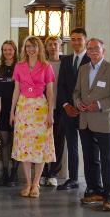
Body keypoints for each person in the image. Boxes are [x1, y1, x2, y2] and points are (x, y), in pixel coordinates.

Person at [73, 38, 110, 211]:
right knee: (89, 158)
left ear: (103, 51)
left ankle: (108, 196)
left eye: (96, 49)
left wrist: (100, 104)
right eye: (90, 49)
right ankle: (94, 190)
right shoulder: (83, 69)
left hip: (104, 121)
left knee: (106, 159)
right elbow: (76, 92)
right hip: (85, 121)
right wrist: (78, 102)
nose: (93, 52)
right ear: (87, 51)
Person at [10, 36, 56, 198]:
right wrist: (12, 111)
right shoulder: (19, 66)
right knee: (25, 147)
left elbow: (50, 91)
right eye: (28, 46)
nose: (31, 49)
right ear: (25, 48)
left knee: (39, 146)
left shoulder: (46, 66)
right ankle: (28, 183)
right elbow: (16, 89)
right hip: (23, 107)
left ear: (39, 48)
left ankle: (36, 184)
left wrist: (50, 112)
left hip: (40, 108)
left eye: (34, 46)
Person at [56, 27, 91, 191]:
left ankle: (92, 182)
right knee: (71, 146)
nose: (76, 42)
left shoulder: (92, 60)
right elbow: (61, 86)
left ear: (85, 40)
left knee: (88, 146)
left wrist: (81, 106)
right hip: (68, 111)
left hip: (86, 111)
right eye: (73, 39)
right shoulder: (66, 60)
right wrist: (66, 105)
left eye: (79, 39)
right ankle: (73, 178)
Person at [0, 40, 19, 186]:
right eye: (5, 50)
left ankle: (14, 173)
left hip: (17, 108)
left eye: (10, 50)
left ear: (15, 51)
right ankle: (5, 172)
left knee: (16, 142)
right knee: (5, 142)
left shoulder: (20, 67)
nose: (7, 52)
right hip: (2, 109)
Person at [42, 36, 63, 187]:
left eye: (56, 44)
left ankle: (53, 173)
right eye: (50, 44)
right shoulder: (42, 64)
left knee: (58, 141)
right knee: (42, 141)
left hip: (61, 108)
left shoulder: (66, 63)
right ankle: (42, 172)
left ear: (60, 45)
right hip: (43, 108)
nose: (53, 46)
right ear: (46, 47)